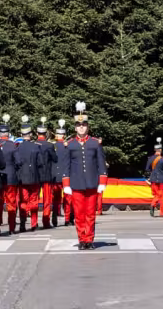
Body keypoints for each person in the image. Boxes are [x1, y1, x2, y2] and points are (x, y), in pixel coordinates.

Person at [60, 103, 107, 250]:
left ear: (88, 127)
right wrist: (66, 184)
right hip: (76, 184)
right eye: (79, 125)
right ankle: (82, 239)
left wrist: (102, 181)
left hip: (92, 183)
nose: (81, 127)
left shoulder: (95, 143)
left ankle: (89, 239)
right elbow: (65, 165)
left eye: (84, 125)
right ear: (75, 128)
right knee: (79, 214)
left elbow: (101, 164)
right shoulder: (70, 145)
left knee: (90, 214)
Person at [14, 118, 43, 232]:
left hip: (22, 178)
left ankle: (22, 223)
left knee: (23, 201)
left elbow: (17, 163)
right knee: (34, 201)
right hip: (34, 177)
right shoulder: (36, 147)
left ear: (22, 135)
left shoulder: (18, 148)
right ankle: (34, 224)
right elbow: (40, 163)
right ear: (30, 135)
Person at [146, 140, 163, 218]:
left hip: (153, 179)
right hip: (161, 179)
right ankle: (162, 213)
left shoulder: (150, 158)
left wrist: (152, 173)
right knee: (162, 196)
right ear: (160, 150)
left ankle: (153, 205)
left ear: (155, 150)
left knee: (156, 194)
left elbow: (147, 169)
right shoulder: (162, 159)